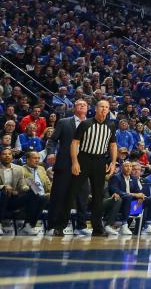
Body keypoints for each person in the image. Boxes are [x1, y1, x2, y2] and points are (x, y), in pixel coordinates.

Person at [54, 99, 117, 237]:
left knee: (98, 196)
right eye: (102, 106)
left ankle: (97, 228)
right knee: (71, 193)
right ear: (96, 108)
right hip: (84, 158)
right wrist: (75, 162)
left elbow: (112, 145)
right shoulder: (85, 123)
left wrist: (113, 162)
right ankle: (59, 226)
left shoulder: (111, 125)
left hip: (100, 161)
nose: (104, 109)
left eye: (107, 107)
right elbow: (74, 143)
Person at [46, 99, 89, 234]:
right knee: (59, 196)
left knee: (83, 196)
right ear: (74, 108)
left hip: (84, 165)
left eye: (85, 105)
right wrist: (51, 153)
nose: (82, 106)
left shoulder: (91, 124)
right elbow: (52, 140)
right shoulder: (64, 122)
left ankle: (81, 227)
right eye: (79, 104)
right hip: (65, 164)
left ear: (87, 108)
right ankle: (54, 226)